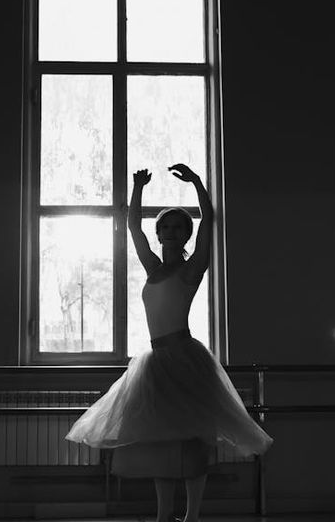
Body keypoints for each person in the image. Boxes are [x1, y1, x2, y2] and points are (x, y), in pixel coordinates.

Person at [66, 163, 273, 522]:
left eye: (179, 227)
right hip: (157, 360)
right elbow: (132, 227)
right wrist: (137, 189)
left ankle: (192, 516)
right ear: (159, 234)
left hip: (184, 357)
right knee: (162, 444)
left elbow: (208, 220)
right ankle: (164, 516)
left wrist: (197, 184)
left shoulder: (193, 269)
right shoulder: (152, 268)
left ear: (186, 235)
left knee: (192, 444)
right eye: (166, 227)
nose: (172, 231)